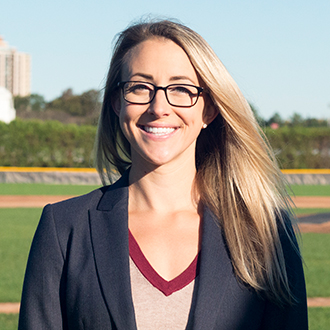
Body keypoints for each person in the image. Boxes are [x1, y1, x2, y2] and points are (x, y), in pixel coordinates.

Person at [18, 19, 308, 330]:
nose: (159, 107)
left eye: (181, 89)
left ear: (208, 109)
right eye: (140, 87)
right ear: (117, 103)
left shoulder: (266, 233)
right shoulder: (63, 229)